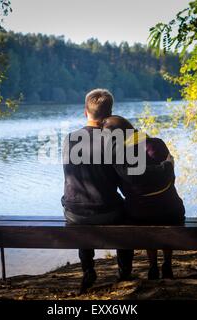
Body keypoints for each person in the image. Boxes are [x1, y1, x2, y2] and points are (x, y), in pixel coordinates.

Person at [61, 89, 134, 293]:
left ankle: (88, 269)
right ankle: (124, 271)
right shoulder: (114, 140)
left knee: (80, 202)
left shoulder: (69, 139)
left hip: (74, 214)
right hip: (107, 212)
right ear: (110, 114)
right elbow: (124, 180)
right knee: (127, 212)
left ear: (86, 112)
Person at [101, 115, 186, 280]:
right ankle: (167, 263)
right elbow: (171, 177)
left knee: (143, 212)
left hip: (141, 214)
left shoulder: (120, 155)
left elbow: (123, 186)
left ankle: (153, 266)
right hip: (172, 211)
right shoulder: (157, 144)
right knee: (164, 206)